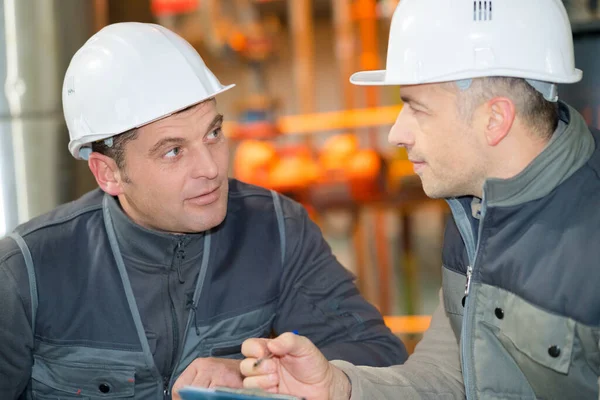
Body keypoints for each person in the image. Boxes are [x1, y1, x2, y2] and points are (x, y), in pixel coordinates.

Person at [0, 22, 408, 400]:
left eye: (213, 134)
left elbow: (379, 357)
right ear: (109, 173)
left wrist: (249, 374)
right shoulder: (28, 271)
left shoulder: (277, 230)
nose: (211, 169)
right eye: (174, 151)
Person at [239, 0, 600, 399]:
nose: (396, 133)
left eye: (417, 109)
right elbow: (448, 377)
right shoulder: (476, 213)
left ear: (495, 119)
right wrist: (339, 387)